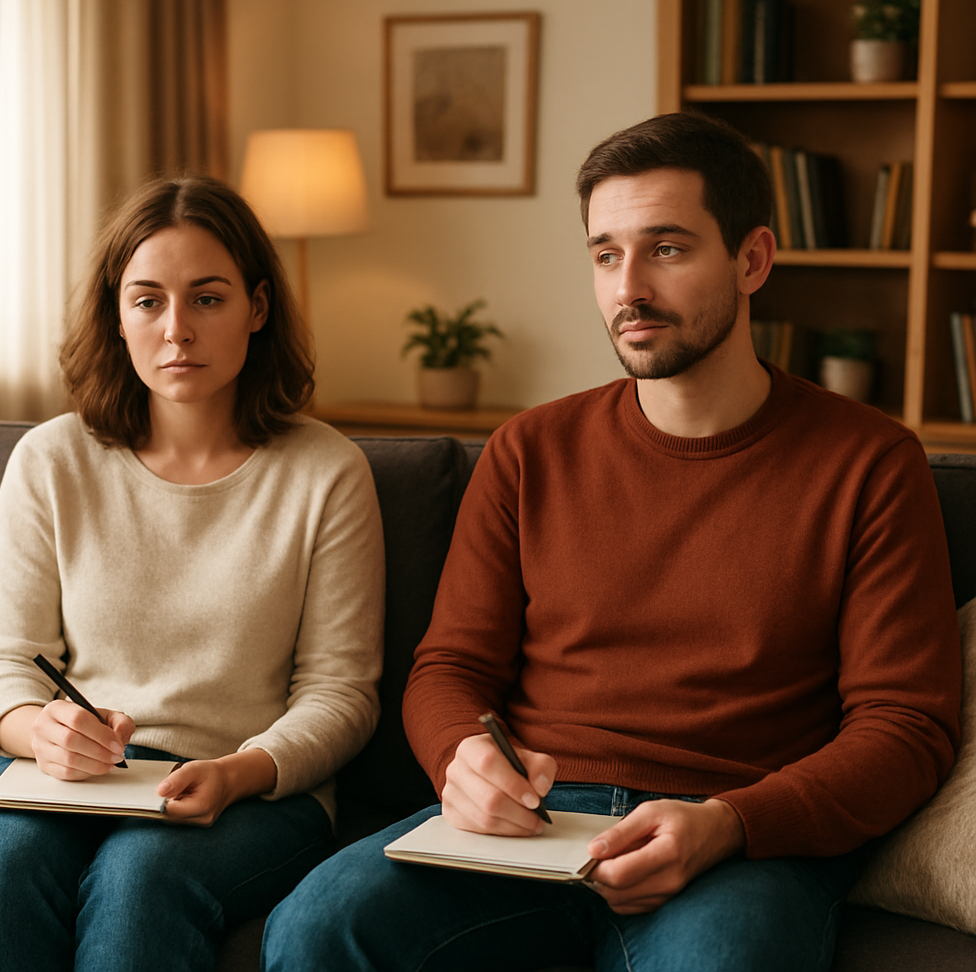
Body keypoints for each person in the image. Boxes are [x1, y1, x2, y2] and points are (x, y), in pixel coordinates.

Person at [259, 111, 963, 972]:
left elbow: (907, 727)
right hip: (540, 818)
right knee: (312, 929)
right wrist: (463, 758)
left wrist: (735, 823)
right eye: (605, 253)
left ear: (753, 259)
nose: (628, 286)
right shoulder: (530, 450)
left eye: (666, 248)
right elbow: (450, 666)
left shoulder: (870, 463)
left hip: (735, 828)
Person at [0, 175, 385, 972]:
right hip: (61, 776)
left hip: (249, 784)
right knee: (5, 864)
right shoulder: (50, 461)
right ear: (117, 317)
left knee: (140, 875)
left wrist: (237, 771)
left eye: (208, 298)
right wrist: (35, 732)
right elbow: (5, 666)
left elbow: (340, 693)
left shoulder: (327, 473)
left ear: (257, 307)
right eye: (147, 300)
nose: (176, 328)